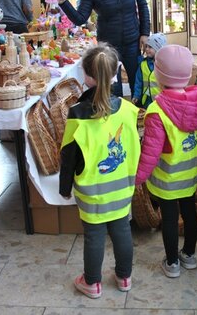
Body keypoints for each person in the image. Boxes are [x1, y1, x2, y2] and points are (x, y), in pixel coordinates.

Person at [59, 43, 141, 299]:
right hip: (122, 186)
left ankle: (92, 282)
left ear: (86, 76)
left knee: (94, 235)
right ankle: (124, 276)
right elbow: (133, 145)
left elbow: (68, 155)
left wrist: (64, 189)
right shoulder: (129, 110)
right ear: (116, 74)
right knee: (122, 230)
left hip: (92, 191)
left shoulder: (77, 113)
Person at [135, 45, 197, 278]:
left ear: (158, 75)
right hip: (191, 173)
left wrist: (137, 178)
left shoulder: (157, 110)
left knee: (169, 218)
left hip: (167, 178)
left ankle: (172, 263)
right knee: (188, 213)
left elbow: (150, 152)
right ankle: (189, 255)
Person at [59, 0, 151, 98]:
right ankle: (115, 115)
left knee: (138, 81)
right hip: (108, 46)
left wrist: (144, 33)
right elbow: (80, 18)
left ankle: (139, 116)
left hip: (132, 40)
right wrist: (63, 2)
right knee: (112, 85)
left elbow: (142, 4)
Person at [132, 32, 166, 108]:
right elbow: (138, 82)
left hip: (160, 101)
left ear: (158, 49)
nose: (146, 49)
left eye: (150, 47)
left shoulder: (164, 66)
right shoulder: (143, 64)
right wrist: (136, 95)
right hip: (146, 100)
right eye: (146, 46)